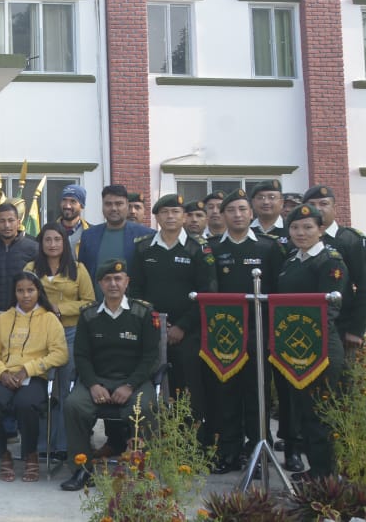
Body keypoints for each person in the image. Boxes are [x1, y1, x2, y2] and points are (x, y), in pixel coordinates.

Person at [60, 259, 160, 491]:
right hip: (99, 379)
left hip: (134, 381)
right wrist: (93, 385)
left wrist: (129, 385)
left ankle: (143, 470)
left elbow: (150, 357)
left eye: (118, 278)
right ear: (100, 284)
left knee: (145, 408)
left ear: (127, 282)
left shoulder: (143, 312)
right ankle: (81, 469)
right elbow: (82, 356)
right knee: (74, 405)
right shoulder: (89, 315)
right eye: (107, 279)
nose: (113, 284)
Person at [129, 194, 217, 444]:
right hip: (152, 328)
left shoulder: (199, 248)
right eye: (165, 212)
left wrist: (181, 327)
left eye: (176, 212)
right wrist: (155, 322)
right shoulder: (143, 247)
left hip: (188, 332)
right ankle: (152, 441)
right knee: (149, 387)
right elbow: (135, 291)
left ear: (184, 217)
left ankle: (192, 443)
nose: (170, 217)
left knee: (189, 388)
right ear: (156, 216)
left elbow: (207, 293)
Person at [208, 188, 285, 474]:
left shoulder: (268, 247)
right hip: (224, 335)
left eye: (242, 209)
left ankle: (258, 450)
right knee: (226, 394)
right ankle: (228, 452)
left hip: (259, 333)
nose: (238, 215)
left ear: (251, 213)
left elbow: (278, 291)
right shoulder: (213, 248)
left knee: (257, 394)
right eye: (231, 210)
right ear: (222, 215)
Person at [276, 203, 348, 478]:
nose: (301, 233)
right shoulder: (291, 261)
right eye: (295, 227)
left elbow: (329, 308)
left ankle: (325, 474)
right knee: (304, 411)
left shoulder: (330, 261)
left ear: (320, 229)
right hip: (295, 348)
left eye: (308, 228)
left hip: (321, 347)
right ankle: (313, 470)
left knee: (320, 412)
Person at [0, 271, 68, 482]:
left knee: (25, 403)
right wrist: (2, 373)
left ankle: (30, 454)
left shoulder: (49, 319)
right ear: (14, 293)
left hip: (35, 376)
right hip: (5, 375)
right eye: (20, 291)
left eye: (30, 290)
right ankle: (3, 454)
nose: (26, 295)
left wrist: (28, 369)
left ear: (38, 291)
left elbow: (60, 353)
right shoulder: (4, 318)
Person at [28, 222, 96, 458]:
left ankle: (65, 445)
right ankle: (40, 445)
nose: (53, 244)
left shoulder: (78, 269)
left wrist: (62, 309)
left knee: (66, 389)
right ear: (41, 243)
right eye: (48, 240)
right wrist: (47, 309)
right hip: (39, 334)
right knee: (41, 390)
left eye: (57, 239)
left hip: (70, 333)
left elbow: (89, 302)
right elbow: (23, 298)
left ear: (64, 242)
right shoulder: (31, 268)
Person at [303, 184, 366, 355]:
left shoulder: (351, 240)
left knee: (341, 379)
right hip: (304, 323)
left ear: (334, 208)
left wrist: (356, 330)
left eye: (323, 204)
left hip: (342, 326)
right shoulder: (296, 240)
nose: (318, 209)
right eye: (312, 205)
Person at [78, 184, 154, 302]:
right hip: (95, 309)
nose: (113, 208)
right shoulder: (88, 235)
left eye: (119, 204)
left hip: (134, 310)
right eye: (108, 204)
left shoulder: (147, 236)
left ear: (127, 205)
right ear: (102, 206)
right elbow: (82, 273)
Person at [0, 202, 40, 314]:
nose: (7, 225)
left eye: (11, 220)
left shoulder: (33, 248)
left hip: (25, 312)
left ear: (18, 222)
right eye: (2, 221)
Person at [250, 179, 289, 247]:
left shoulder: (291, 229)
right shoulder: (246, 230)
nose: (266, 202)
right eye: (260, 197)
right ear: (253, 202)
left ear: (281, 202)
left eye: (272, 197)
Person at [58, 184, 91, 255]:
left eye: (73, 201)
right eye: (64, 200)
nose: (67, 206)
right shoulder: (47, 231)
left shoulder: (92, 233)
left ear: (82, 205)